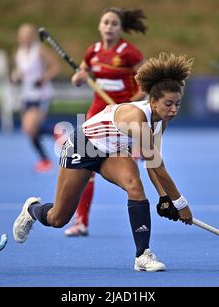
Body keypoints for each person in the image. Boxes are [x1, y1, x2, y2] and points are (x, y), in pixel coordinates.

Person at [13, 53, 194, 272]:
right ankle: (32, 209)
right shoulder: (138, 119)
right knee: (58, 218)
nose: (174, 110)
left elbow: (152, 163)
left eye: (177, 104)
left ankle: (142, 256)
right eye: (168, 104)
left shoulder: (160, 121)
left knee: (134, 186)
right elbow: (157, 165)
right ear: (153, 102)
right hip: (82, 147)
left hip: (111, 151)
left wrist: (164, 198)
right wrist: (180, 203)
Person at [64, 7, 147, 236]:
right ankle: (81, 221)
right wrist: (79, 77)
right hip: (95, 118)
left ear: (120, 29)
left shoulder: (130, 53)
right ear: (100, 26)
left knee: (129, 175)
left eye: (114, 23)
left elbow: (146, 85)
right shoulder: (93, 52)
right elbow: (78, 79)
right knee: (86, 169)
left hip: (122, 120)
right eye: (106, 22)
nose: (109, 26)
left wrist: (129, 103)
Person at [11, 23, 60, 173]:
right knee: (30, 130)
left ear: (32, 37)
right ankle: (53, 136)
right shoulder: (18, 53)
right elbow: (19, 71)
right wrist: (16, 76)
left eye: (28, 35)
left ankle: (46, 156)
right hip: (27, 95)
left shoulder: (39, 50)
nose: (25, 38)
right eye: (22, 36)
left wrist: (44, 78)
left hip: (41, 94)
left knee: (29, 127)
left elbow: (55, 68)